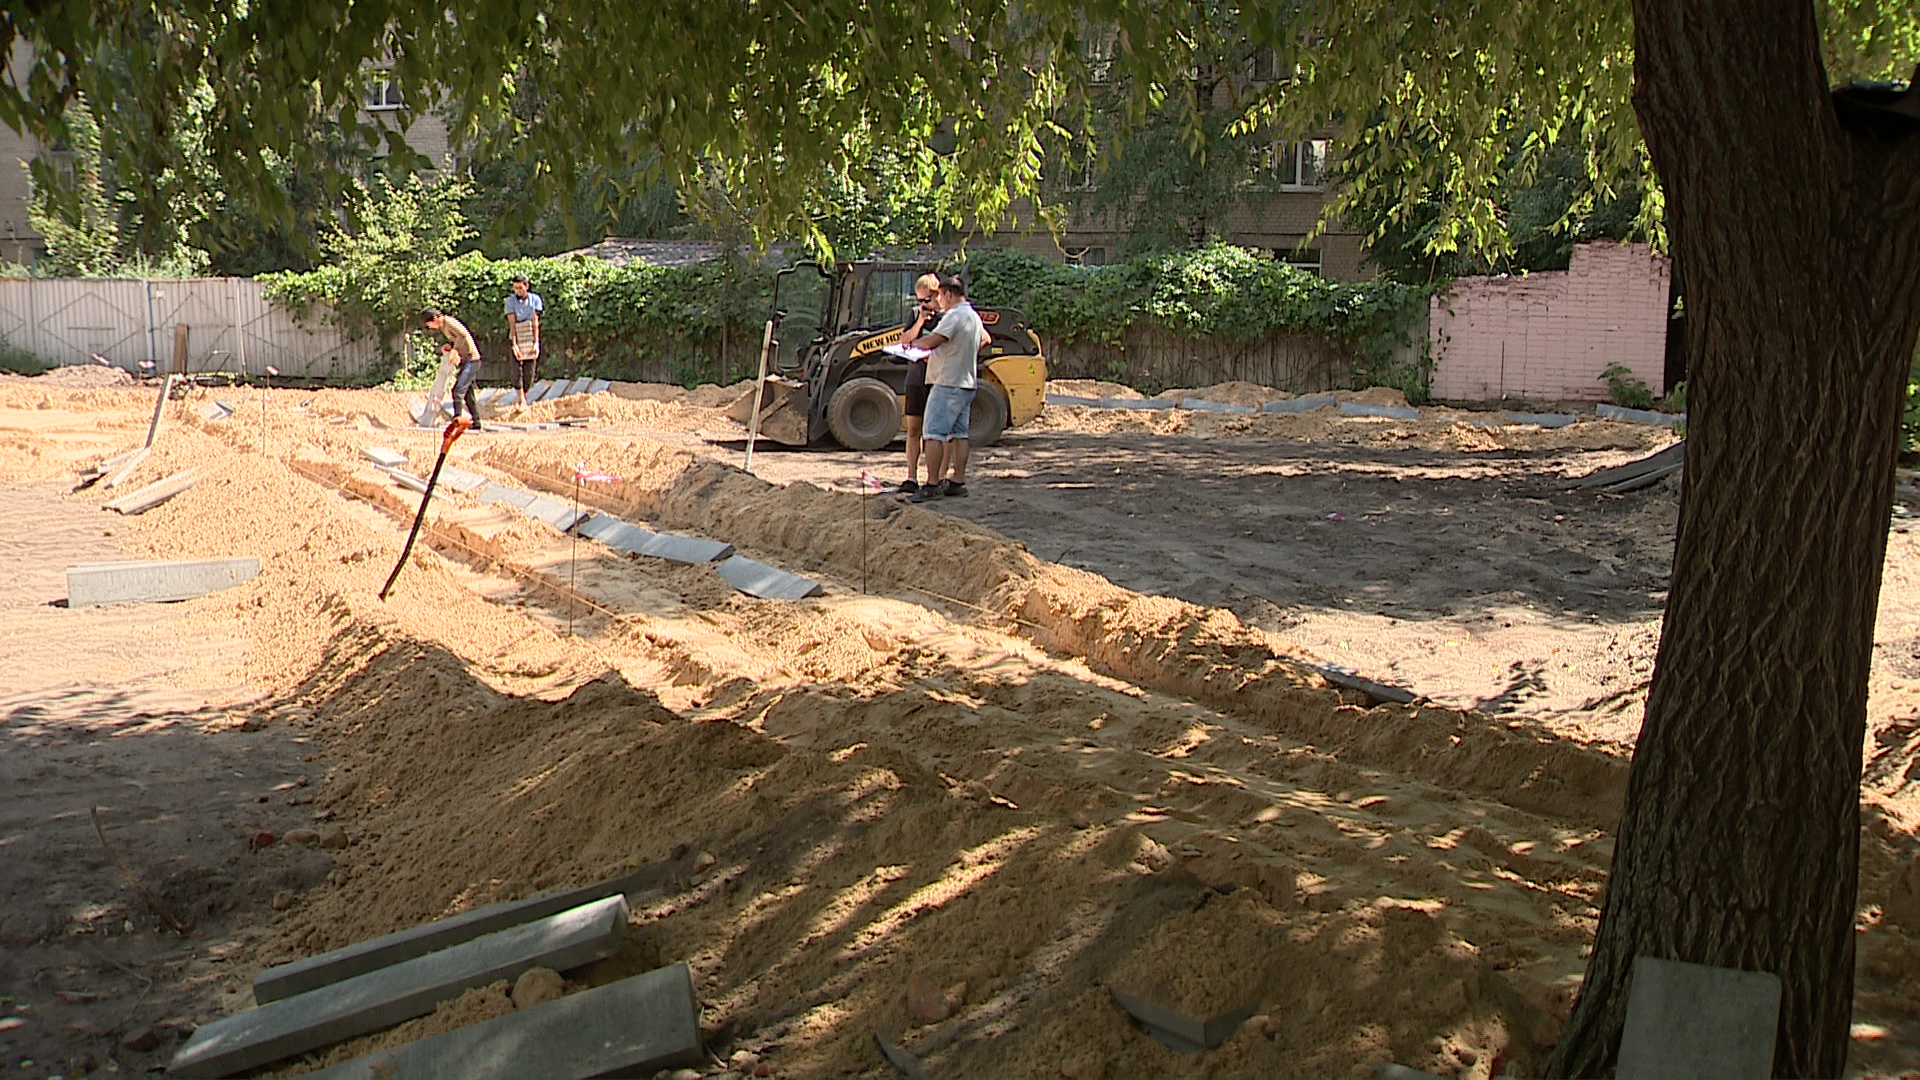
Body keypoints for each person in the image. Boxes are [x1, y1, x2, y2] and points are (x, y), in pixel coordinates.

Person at [902, 274, 983, 503]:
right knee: (959, 434)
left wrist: (912, 345)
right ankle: (958, 481)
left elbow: (933, 340)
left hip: (947, 382)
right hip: (967, 381)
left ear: (948, 294)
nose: (939, 302)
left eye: (940, 297)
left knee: (933, 433)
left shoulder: (954, 315)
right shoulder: (973, 316)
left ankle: (932, 483)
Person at [893, 272, 942, 494]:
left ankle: (937, 478)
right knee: (913, 428)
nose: (924, 305)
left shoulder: (947, 317)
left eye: (927, 300)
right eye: (919, 301)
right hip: (916, 374)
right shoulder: (915, 314)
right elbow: (905, 340)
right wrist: (920, 320)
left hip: (937, 376)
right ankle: (911, 476)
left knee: (936, 431)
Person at [421, 307, 484, 430]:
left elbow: (463, 335)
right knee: (468, 394)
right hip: (467, 361)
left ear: (435, 318)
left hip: (472, 359)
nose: (431, 328)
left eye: (430, 325)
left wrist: (454, 351)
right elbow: (456, 340)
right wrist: (450, 347)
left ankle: (457, 421)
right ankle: (477, 422)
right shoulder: (444, 327)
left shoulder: (448, 322)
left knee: (458, 391)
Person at [504, 275, 544, 408]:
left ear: (526, 286)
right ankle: (521, 399)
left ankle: (525, 396)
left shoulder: (535, 300)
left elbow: (535, 322)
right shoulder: (510, 302)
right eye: (515, 288)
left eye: (520, 288)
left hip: (530, 334)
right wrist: (514, 344)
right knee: (516, 370)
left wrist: (535, 342)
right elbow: (512, 324)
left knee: (529, 371)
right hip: (517, 334)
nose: (518, 291)